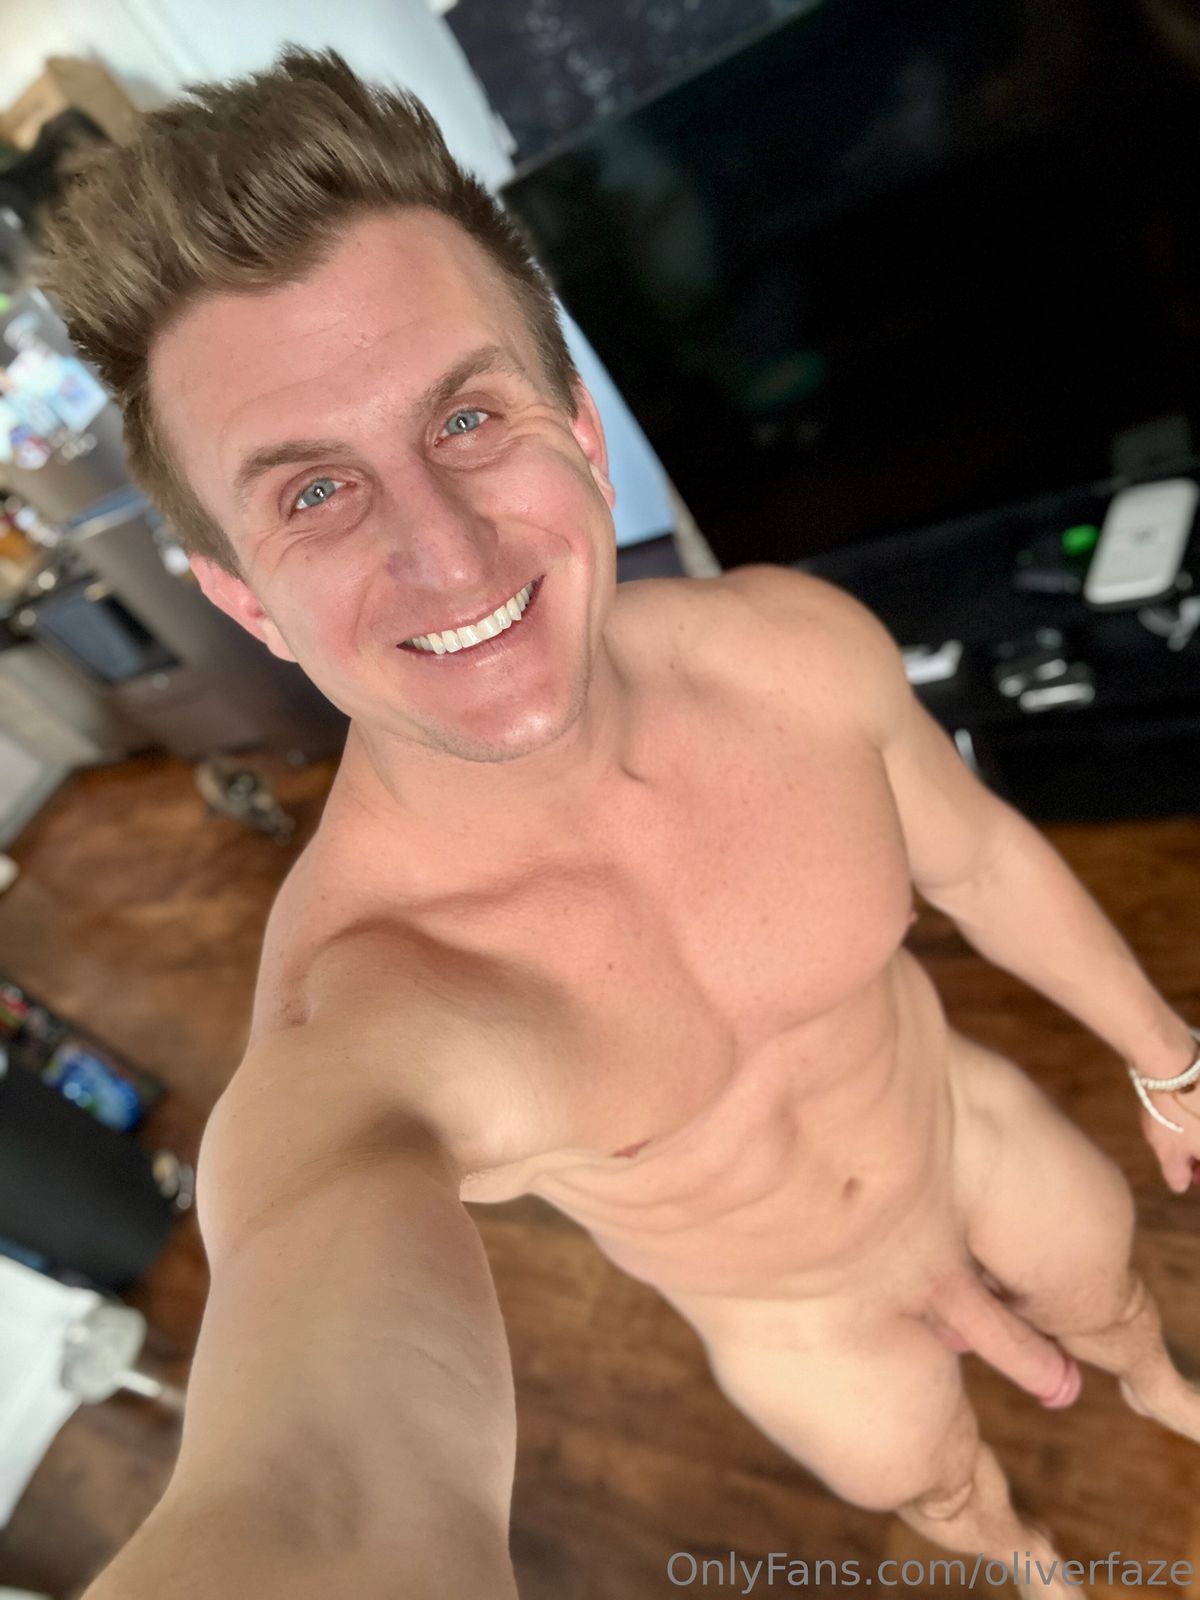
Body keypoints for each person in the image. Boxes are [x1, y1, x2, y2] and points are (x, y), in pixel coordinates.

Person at [43, 47, 1200, 1600]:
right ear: (247, 599)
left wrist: (1170, 1061)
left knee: (1115, 1302)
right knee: (936, 1487)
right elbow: (319, 1498)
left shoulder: (796, 653)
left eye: (468, 418)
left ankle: (1160, 1386)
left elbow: (978, 856)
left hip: (967, 1131)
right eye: (314, 492)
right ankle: (1032, 1566)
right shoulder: (364, 1014)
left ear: (580, 431)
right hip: (792, 1317)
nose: (452, 557)